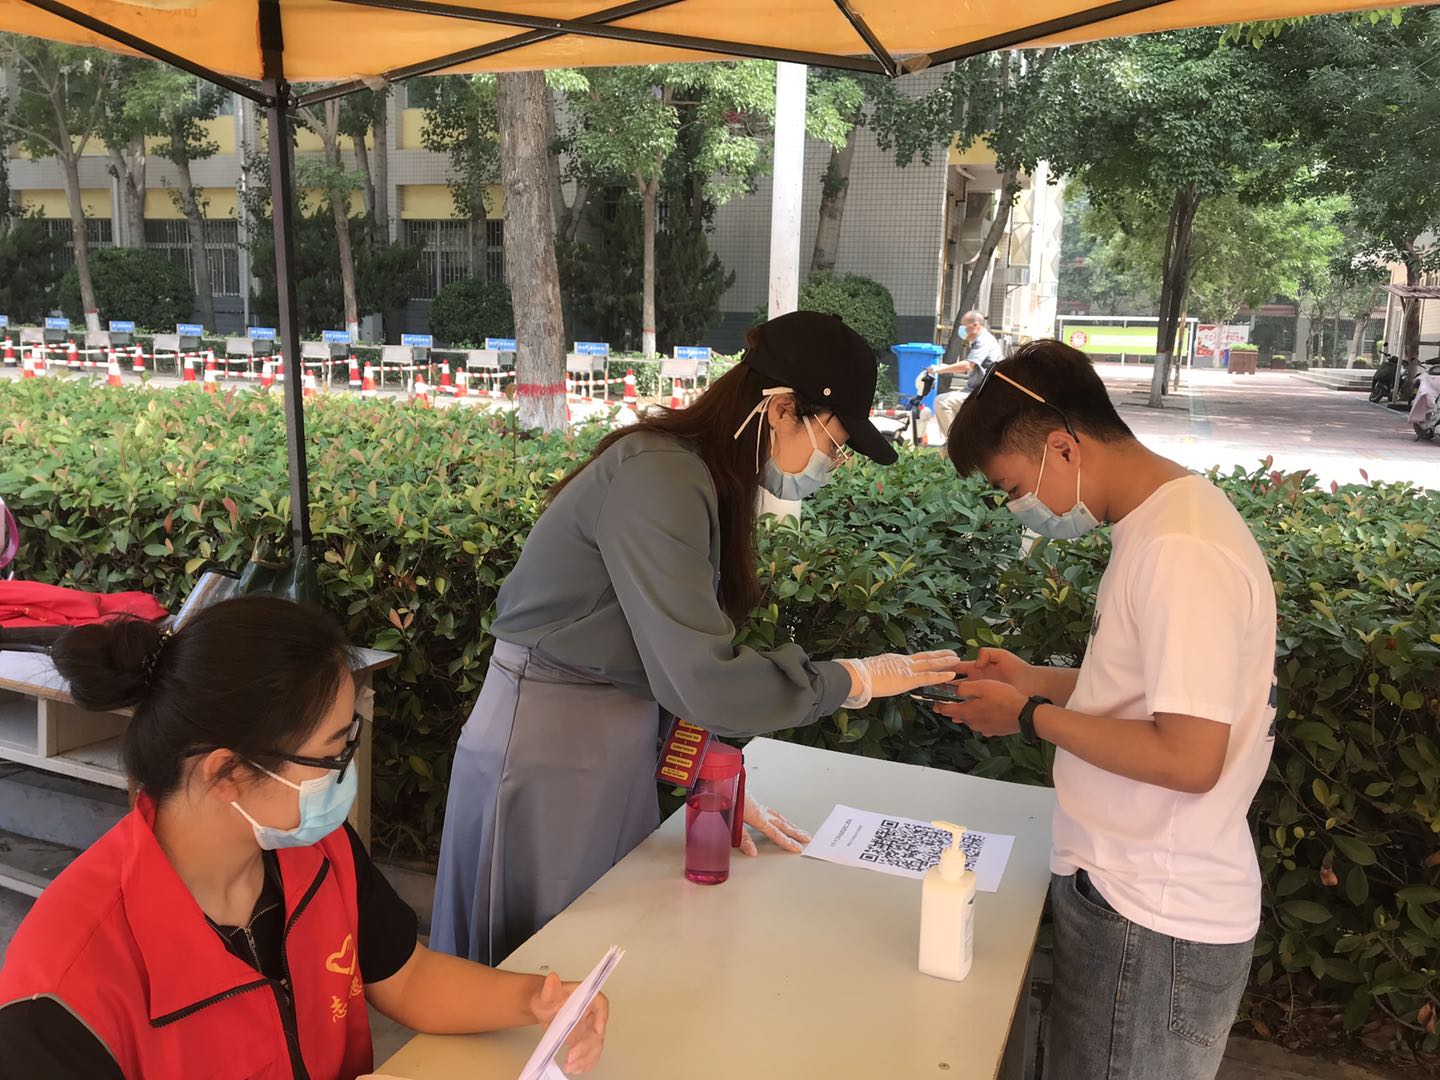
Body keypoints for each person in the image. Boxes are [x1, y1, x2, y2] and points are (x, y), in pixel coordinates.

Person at [432, 310, 959, 964]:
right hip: (547, 752)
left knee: (587, 958)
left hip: (606, 745)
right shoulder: (659, 475)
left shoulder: (696, 478)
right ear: (782, 408)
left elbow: (666, 663)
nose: (834, 461)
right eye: (836, 440)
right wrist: (851, 680)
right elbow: (701, 677)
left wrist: (716, 776)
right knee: (541, 968)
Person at [0, 597, 608, 1080]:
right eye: (331, 753)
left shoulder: (318, 853)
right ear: (225, 772)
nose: (346, 771)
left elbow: (406, 977)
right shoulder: (65, 987)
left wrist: (538, 1001)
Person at [937, 340, 1276, 1080]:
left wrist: (1027, 715)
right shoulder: (1164, 522)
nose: (1018, 507)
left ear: (1063, 446)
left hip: (1152, 919)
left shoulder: (1181, 550)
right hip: (1132, 901)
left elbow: (1189, 757)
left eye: (1011, 486)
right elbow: (1150, 698)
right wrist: (1035, 680)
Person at [930, 311, 1003, 436]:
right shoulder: (982, 340)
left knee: (942, 402)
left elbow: (968, 365)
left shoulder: (983, 341)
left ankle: (954, 442)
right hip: (977, 391)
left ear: (975, 325)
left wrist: (941, 369)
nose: (961, 329)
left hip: (983, 395)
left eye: (963, 326)